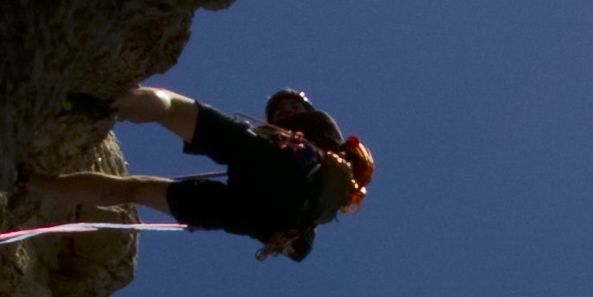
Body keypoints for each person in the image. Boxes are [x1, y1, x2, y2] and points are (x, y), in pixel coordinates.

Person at [30, 84, 374, 261]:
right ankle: (32, 181)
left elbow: (280, 151)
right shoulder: (317, 201)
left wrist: (266, 135)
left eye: (288, 107)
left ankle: (107, 105)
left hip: (274, 167)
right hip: (258, 217)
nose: (287, 110)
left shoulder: (311, 128)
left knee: (173, 107)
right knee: (136, 190)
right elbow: (301, 251)